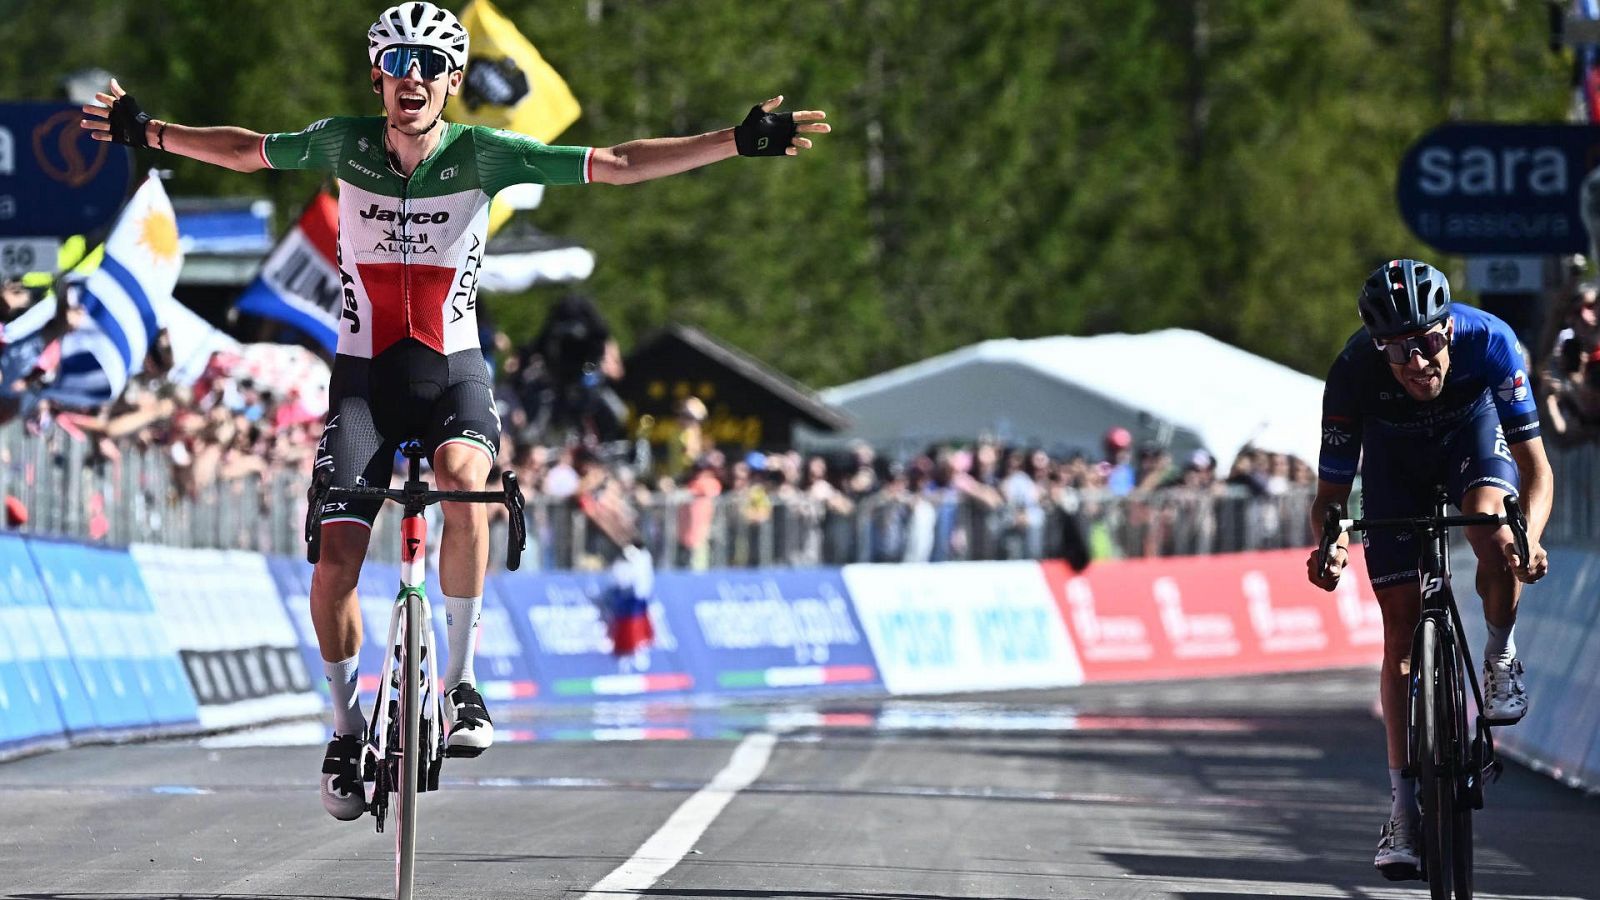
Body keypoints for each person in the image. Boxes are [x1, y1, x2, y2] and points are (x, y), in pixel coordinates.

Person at [80, 1, 830, 822]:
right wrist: (149, 133)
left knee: (465, 483)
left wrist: (732, 139)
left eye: (432, 65)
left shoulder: (486, 153)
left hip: (453, 372)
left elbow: (617, 162)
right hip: (365, 379)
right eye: (398, 61)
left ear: (454, 81)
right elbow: (243, 151)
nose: (414, 77)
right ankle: (343, 728)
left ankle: (463, 686)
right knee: (334, 556)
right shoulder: (345, 144)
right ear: (378, 75)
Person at [1305, 259, 1552, 881]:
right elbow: (1331, 498)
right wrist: (1328, 545)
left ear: (1449, 328)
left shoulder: (1491, 340)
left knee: (1492, 531)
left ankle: (1499, 655)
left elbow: (1539, 472)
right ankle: (1403, 810)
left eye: (1429, 343)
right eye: (1396, 349)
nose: (1416, 363)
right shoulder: (1352, 370)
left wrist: (1532, 539)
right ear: (1376, 347)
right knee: (1399, 634)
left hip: (1472, 442)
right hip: (1393, 469)